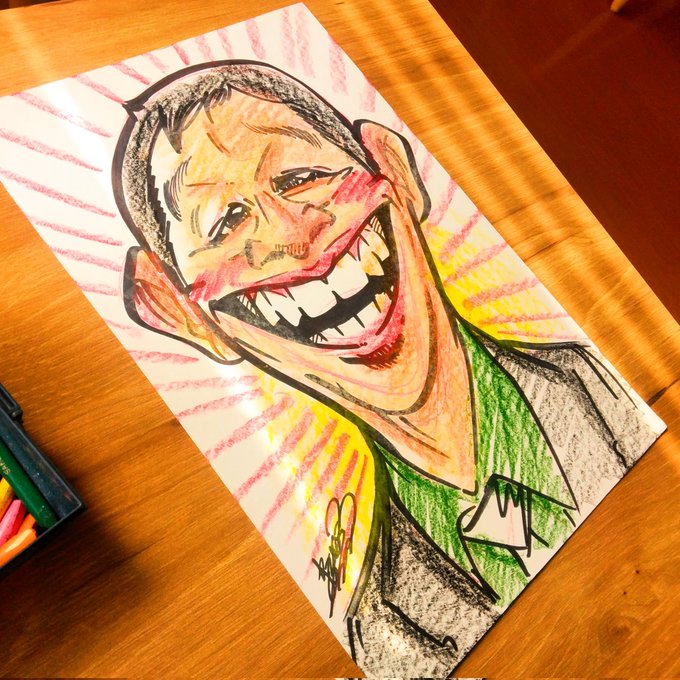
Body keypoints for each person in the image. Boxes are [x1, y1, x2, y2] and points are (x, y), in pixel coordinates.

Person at [113, 61, 660, 677]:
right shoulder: (386, 629)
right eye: (225, 221)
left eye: (302, 176)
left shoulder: (609, 389)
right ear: (183, 313)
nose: (294, 237)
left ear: (393, 173)